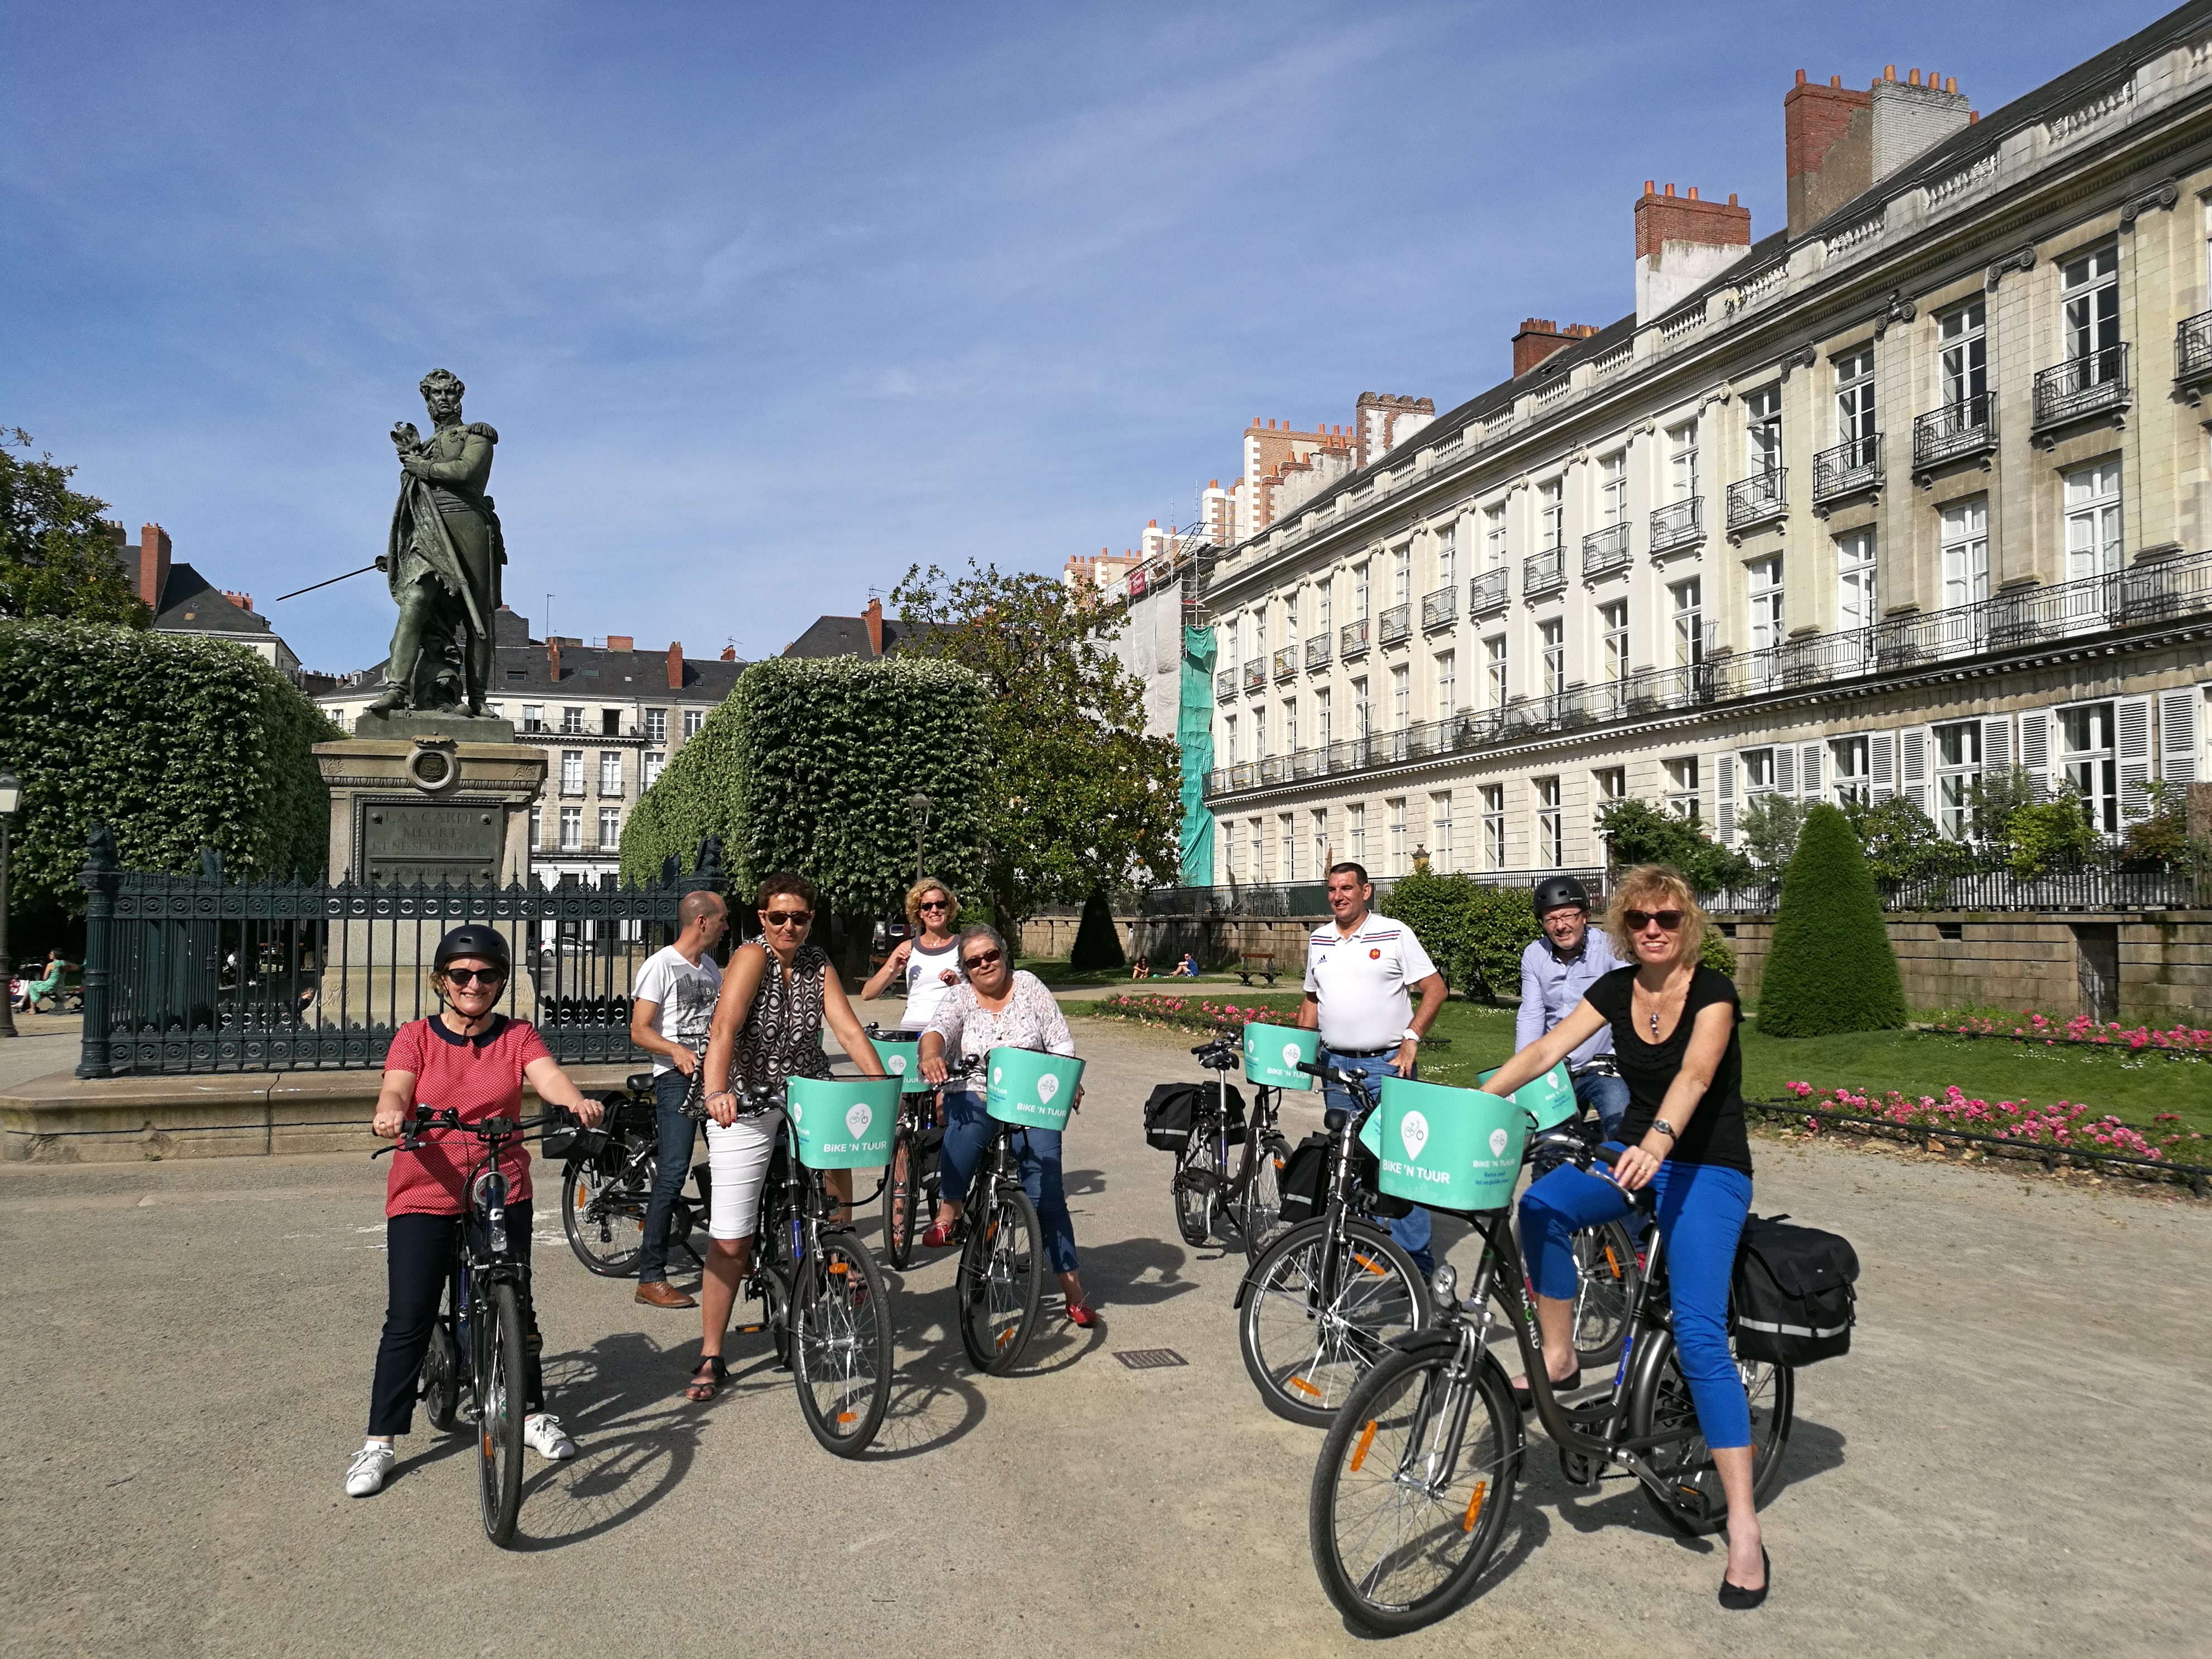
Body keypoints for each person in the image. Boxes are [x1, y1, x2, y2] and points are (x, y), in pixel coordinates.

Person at [1477, 864, 1767, 1608]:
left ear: (1688, 923)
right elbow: (1544, 1051)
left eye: (1667, 919)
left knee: (1700, 1336)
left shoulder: (1713, 994)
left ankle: (1742, 1528)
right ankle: (1562, 1355)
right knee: (1540, 1207)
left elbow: (1698, 1075)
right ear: (1622, 927)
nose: (1653, 931)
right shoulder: (1616, 988)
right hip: (1631, 1156)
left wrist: (1660, 1141)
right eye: (1639, 920)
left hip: (1703, 1165)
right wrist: (1475, 1101)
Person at [346, 924, 605, 1498]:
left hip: (497, 1187)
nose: (474, 984)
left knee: (518, 1303)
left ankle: (531, 1412)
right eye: (461, 975)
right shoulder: (416, 1037)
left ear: (499, 982)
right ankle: (379, 1442)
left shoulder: (517, 1036)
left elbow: (549, 1077)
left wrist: (574, 1101)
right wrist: (391, 1113)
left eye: (486, 975)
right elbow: (395, 1089)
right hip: (425, 1188)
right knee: (409, 1316)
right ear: (442, 981)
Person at [686, 872, 886, 1401]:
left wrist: (879, 1087)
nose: (789, 926)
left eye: (799, 917)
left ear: (811, 920)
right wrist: (715, 1093)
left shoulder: (819, 963)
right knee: (731, 1236)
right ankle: (710, 1352)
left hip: (804, 1086)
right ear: (763, 919)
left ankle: (841, 1253)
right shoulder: (752, 958)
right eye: (779, 917)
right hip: (744, 1095)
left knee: (840, 1145)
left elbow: (846, 1029)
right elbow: (724, 1027)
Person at [916, 924, 1099, 1328]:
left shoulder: (1030, 986)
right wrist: (931, 1056)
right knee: (964, 1129)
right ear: (965, 968)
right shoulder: (960, 996)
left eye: (991, 956)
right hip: (978, 1090)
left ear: (1003, 954)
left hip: (1033, 1097)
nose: (984, 965)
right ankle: (950, 1211)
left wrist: (1070, 1081)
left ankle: (1073, 1291)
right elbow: (936, 1032)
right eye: (974, 961)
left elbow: (1060, 1041)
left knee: (1048, 1191)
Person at [1296, 862, 1448, 1277]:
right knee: (1349, 1160)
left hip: (1387, 1063)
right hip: (1337, 1066)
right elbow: (1312, 999)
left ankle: (1415, 1263)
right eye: (1332, 889)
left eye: (1347, 888)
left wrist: (1413, 1035)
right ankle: (1364, 1246)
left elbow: (1435, 988)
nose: (1338, 896)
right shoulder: (1320, 939)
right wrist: (1296, 1050)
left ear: (1366, 891)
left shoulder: (1395, 932)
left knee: (1398, 1161)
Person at [627, 889, 730, 1310]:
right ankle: (650, 1277)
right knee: (672, 1172)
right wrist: (675, 1050)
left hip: (712, 1077)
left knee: (730, 1158)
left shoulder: (709, 967)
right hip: (675, 1078)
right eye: (722, 919)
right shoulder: (659, 965)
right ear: (702, 921)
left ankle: (728, 1252)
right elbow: (638, 1030)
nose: (726, 926)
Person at [1517, 875, 1629, 1139]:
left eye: (1569, 916)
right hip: (1555, 1068)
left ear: (1586, 915)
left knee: (1622, 1133)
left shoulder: (1612, 948)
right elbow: (1532, 1015)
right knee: (1548, 1145)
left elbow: (1628, 1004)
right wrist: (1523, 1073)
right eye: (1551, 919)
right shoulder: (1534, 954)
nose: (1561, 926)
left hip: (1603, 1065)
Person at [860, 877, 963, 1031]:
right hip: (912, 1033)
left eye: (940, 905)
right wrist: (894, 969)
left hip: (951, 1031)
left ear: (949, 909)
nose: (934, 910)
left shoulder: (964, 946)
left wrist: (957, 986)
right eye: (927, 906)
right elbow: (868, 993)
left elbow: (981, 996)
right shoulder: (908, 947)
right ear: (920, 913)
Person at [15, 947, 75, 1012]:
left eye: (51, 954)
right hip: (60, 985)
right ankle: (23, 1003)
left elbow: (45, 978)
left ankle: (31, 1008)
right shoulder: (65, 963)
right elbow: (77, 967)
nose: (49, 955)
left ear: (55, 956)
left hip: (51, 985)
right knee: (33, 984)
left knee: (32, 985)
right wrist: (67, 969)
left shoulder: (51, 965)